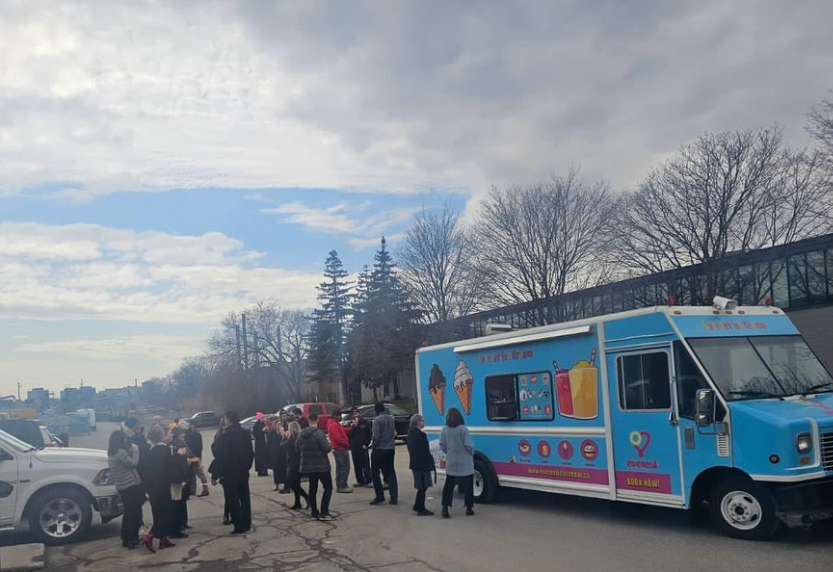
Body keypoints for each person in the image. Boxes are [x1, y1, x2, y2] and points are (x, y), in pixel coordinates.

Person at [141, 427, 185, 552]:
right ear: (161, 436)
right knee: (167, 514)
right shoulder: (166, 450)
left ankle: (163, 540)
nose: (170, 435)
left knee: (158, 513)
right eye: (168, 433)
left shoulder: (150, 450)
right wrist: (180, 480)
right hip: (162, 486)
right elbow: (170, 468)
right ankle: (149, 537)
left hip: (151, 487)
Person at [214, 411, 254, 534]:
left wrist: (217, 473)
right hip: (243, 470)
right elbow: (250, 452)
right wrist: (247, 466)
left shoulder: (226, 436)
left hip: (230, 471)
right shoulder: (245, 433)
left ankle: (238, 524)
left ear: (228, 420)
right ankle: (247, 522)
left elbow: (219, 453)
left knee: (232, 498)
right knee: (244, 497)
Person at [107, 430, 144, 548]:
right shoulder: (120, 453)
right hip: (130, 486)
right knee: (133, 513)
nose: (126, 440)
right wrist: (135, 451)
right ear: (120, 440)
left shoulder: (112, 452)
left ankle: (126, 538)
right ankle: (132, 538)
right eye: (124, 438)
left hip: (122, 487)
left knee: (128, 512)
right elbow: (133, 463)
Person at [297, 412, 334, 521]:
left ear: (308, 421)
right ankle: (324, 511)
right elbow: (327, 449)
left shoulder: (301, 434)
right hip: (321, 465)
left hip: (308, 466)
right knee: (328, 487)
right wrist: (330, 443)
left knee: (312, 489)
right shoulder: (319, 433)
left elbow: (296, 448)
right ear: (317, 420)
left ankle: (314, 511)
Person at [440, 407, 475, 518]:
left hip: (451, 461)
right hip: (465, 461)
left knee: (448, 486)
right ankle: (469, 508)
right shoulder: (463, 429)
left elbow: (442, 445)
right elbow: (468, 445)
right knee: (468, 485)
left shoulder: (444, 429)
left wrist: (449, 452)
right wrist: (472, 453)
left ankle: (445, 508)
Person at [369, 402, 398, 506]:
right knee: (390, 472)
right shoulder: (391, 419)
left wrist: (373, 446)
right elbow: (394, 433)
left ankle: (380, 495)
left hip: (380, 449)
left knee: (375, 472)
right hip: (390, 448)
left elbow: (376, 436)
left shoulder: (376, 420)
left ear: (376, 410)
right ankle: (394, 497)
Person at [407, 414, 435, 516]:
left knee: (421, 486)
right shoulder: (421, 435)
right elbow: (425, 450)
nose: (423, 422)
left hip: (415, 463)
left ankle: (417, 505)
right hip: (423, 464)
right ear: (418, 422)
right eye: (422, 420)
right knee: (423, 486)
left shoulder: (410, 434)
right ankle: (421, 508)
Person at [170, 427, 194, 534]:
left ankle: (184, 522)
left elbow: (190, 454)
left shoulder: (184, 443)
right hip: (179, 475)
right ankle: (179, 523)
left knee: (184, 499)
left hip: (186, 473)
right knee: (179, 501)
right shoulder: (174, 446)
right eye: (181, 433)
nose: (183, 435)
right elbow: (176, 461)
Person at [208, 418, 231, 526]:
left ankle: (231, 513)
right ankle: (227, 514)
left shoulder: (232, 436)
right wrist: (214, 476)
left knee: (232, 494)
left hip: (232, 469)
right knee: (228, 494)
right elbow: (218, 458)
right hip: (224, 470)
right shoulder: (219, 438)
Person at [326, 408, 353, 493]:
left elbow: (344, 431)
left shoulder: (335, 424)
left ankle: (340, 485)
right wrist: (347, 443)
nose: (340, 417)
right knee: (344, 467)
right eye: (339, 416)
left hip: (339, 449)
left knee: (340, 467)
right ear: (335, 416)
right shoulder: (333, 425)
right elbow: (337, 438)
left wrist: (352, 428)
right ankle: (342, 486)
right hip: (340, 449)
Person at [285, 420, 309, 510]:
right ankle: (297, 502)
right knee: (296, 484)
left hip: (294, 463)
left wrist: (284, 436)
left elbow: (282, 445)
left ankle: (307, 497)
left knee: (293, 484)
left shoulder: (292, 438)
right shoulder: (299, 437)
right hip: (298, 462)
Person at [184, 420, 209, 497]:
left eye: (188, 424)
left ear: (192, 425)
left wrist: (198, 457)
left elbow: (199, 447)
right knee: (191, 474)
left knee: (200, 473)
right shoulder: (187, 433)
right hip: (189, 456)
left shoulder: (196, 434)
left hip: (195, 456)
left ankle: (205, 489)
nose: (186, 426)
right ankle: (192, 490)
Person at [349, 407, 372, 487]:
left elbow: (369, 433)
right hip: (354, 447)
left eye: (356, 412)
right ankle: (360, 481)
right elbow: (349, 434)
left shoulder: (364, 421)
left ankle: (369, 480)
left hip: (362, 447)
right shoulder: (351, 423)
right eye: (353, 413)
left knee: (365, 464)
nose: (355, 414)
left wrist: (367, 444)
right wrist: (353, 427)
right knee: (357, 465)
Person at [267, 415, 288, 492]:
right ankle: (276, 485)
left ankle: (286, 484)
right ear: (275, 425)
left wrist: (283, 433)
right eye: (278, 424)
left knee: (284, 469)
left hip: (282, 453)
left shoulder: (284, 431)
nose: (279, 425)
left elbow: (286, 440)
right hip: (275, 453)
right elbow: (269, 442)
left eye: (280, 424)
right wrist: (269, 451)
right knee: (276, 470)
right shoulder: (272, 432)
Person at [252, 412, 269, 477]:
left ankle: (265, 470)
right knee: (259, 457)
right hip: (259, 444)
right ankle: (260, 471)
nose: (263, 419)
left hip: (264, 443)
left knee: (264, 457)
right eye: (262, 418)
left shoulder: (264, 424)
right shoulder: (256, 425)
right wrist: (261, 431)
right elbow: (255, 434)